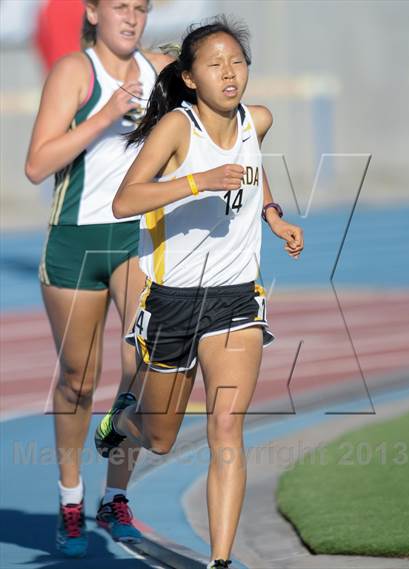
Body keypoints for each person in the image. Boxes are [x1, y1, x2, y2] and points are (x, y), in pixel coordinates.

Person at [94, 15, 304, 569]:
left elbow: (254, 171)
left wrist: (274, 217)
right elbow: (125, 201)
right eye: (215, 64)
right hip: (173, 301)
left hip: (237, 297)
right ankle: (123, 420)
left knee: (226, 426)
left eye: (236, 62)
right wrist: (198, 181)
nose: (229, 73)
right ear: (190, 78)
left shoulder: (256, 120)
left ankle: (220, 561)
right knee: (159, 438)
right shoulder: (176, 130)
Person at [25, 0, 173, 558]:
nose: (130, 17)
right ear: (92, 11)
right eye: (119, 7)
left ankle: (116, 495)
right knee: (79, 381)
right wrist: (106, 115)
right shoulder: (75, 72)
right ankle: (71, 498)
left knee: (144, 364)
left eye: (140, 7)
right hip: (74, 242)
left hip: (135, 239)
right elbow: (37, 165)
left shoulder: (160, 70)